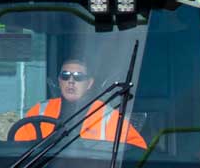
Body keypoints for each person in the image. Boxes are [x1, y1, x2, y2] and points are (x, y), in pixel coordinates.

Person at [11, 57, 145, 147]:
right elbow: (16, 149)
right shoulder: (39, 110)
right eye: (65, 75)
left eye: (78, 77)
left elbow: (137, 151)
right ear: (59, 80)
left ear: (89, 83)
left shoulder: (108, 116)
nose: (71, 81)